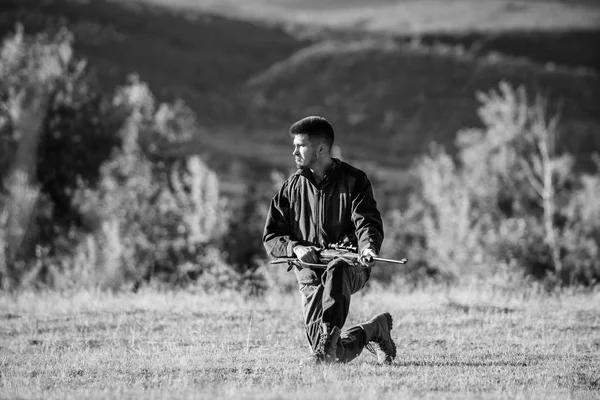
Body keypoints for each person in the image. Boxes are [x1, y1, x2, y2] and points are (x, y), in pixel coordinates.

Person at [262, 116, 396, 365]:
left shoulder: (355, 180)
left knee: (338, 267)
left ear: (321, 148)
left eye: (300, 145)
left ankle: (326, 344)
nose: (294, 151)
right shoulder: (291, 187)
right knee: (334, 356)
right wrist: (296, 248)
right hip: (310, 277)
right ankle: (374, 330)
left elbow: (368, 223)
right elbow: (271, 237)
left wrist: (368, 247)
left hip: (350, 268)